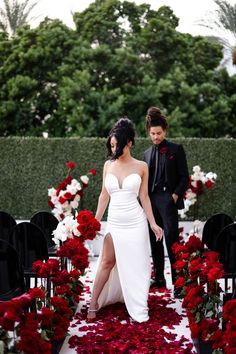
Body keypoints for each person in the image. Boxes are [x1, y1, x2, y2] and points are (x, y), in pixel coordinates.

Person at [87, 117, 163, 323]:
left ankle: (137, 304)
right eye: (111, 145)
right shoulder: (107, 165)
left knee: (137, 265)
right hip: (115, 222)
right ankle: (93, 303)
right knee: (106, 262)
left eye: (117, 144)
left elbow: (144, 197)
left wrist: (153, 223)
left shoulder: (142, 166)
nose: (113, 149)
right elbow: (104, 196)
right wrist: (94, 222)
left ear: (129, 142)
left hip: (136, 222)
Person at [143, 107, 189, 298]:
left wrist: (175, 195)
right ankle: (159, 278)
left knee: (171, 240)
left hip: (168, 199)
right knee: (155, 240)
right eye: (153, 134)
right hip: (151, 200)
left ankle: (178, 283)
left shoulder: (176, 149)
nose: (156, 137)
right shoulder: (145, 154)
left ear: (165, 131)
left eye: (159, 133)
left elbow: (184, 176)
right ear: (149, 133)